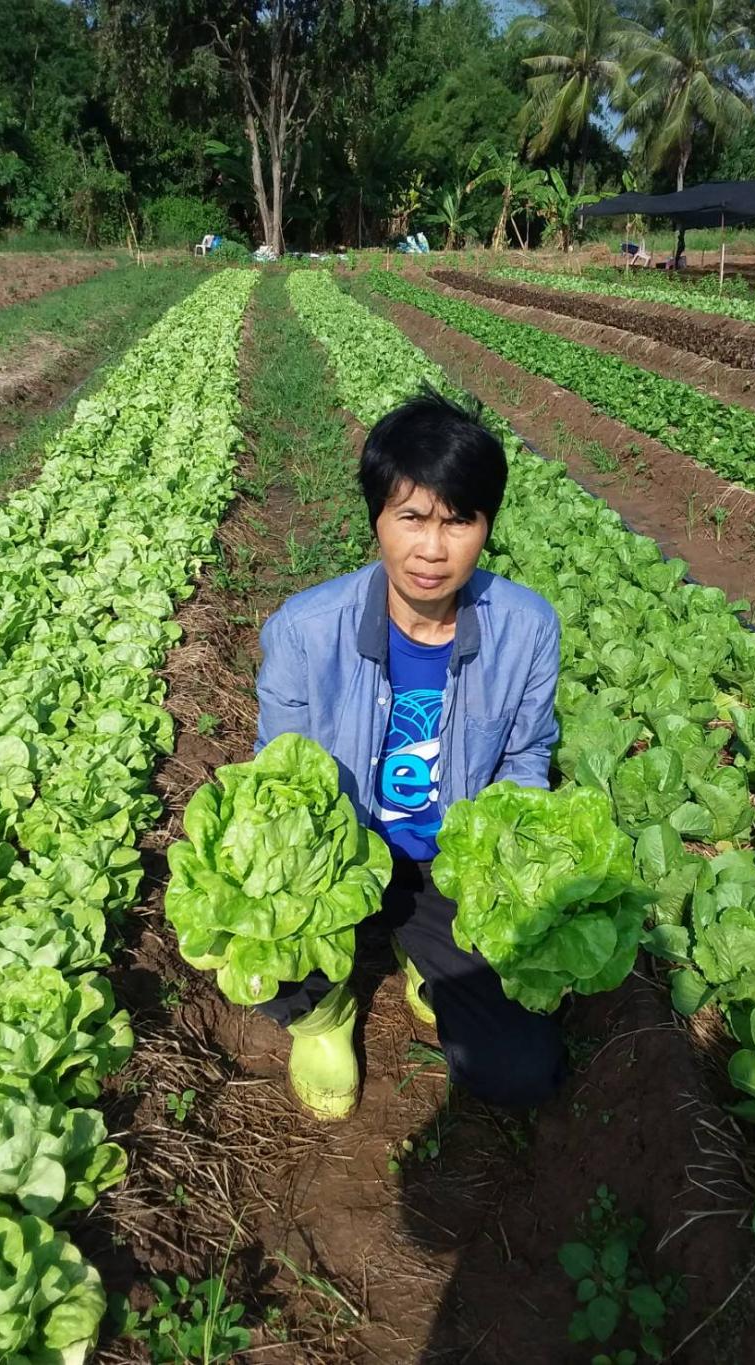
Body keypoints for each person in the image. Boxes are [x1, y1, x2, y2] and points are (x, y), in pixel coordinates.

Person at [254, 387, 566, 1121]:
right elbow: (280, 776)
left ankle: (423, 951)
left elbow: (525, 759)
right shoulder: (305, 630)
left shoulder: (527, 628)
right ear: (377, 519)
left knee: (523, 1069)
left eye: (458, 521)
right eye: (412, 518)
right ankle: (322, 1015)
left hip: (445, 865)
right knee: (248, 926)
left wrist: (499, 883)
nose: (433, 549)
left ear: (487, 526)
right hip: (336, 857)